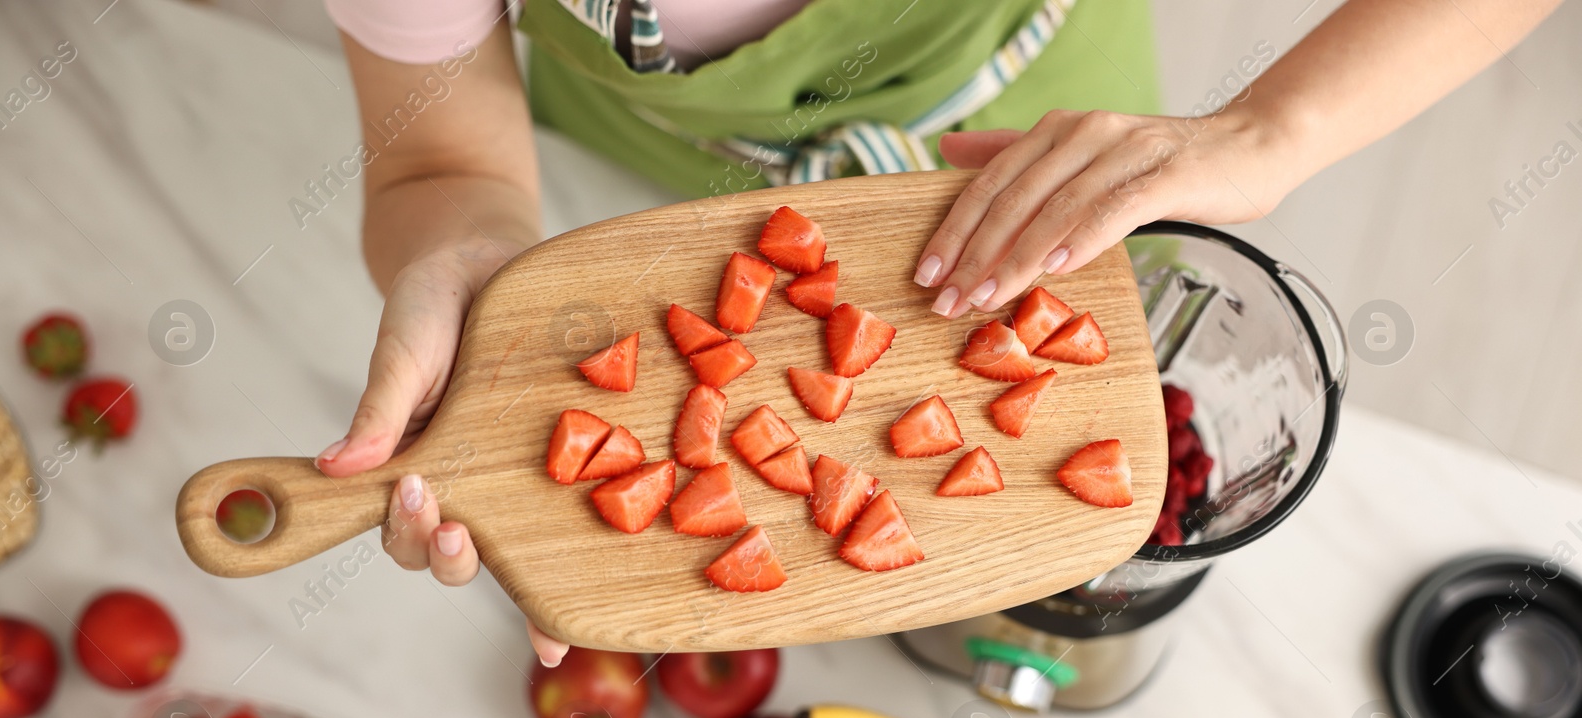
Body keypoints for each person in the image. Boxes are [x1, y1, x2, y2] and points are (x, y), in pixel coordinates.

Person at [312, 0, 1559, 666]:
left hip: (1040, 133)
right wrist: (462, 262)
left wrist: (1272, 133)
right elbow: (437, 158)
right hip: (698, 183)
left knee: (1113, 323)